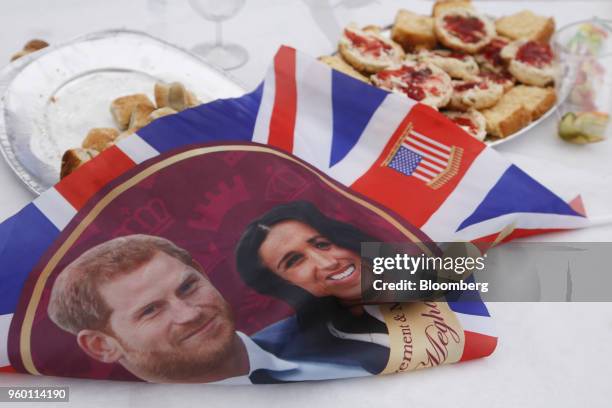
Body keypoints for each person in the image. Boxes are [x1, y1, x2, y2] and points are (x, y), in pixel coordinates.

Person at [47, 234, 364, 384]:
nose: (189, 313)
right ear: (101, 345)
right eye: (151, 310)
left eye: (188, 287)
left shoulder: (343, 329)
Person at [235, 201, 391, 374]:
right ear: (286, 284)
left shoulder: (419, 272)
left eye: (322, 244)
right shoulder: (310, 360)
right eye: (294, 261)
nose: (329, 263)